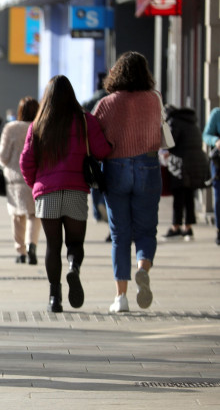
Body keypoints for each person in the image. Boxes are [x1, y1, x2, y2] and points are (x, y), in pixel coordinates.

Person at [20, 76, 112, 312]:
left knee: (52, 245)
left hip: (47, 193)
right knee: (75, 242)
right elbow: (102, 151)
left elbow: (26, 162)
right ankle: (74, 267)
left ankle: (54, 297)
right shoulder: (84, 120)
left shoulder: (38, 124)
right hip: (75, 190)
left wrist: (36, 186)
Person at [93, 51, 163, 313]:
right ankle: (142, 267)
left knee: (120, 235)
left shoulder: (107, 103)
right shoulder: (154, 100)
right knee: (146, 230)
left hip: (116, 167)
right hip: (148, 165)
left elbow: (94, 136)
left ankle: (120, 298)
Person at [0, 96, 41, 264]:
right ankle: (32, 246)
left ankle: (20, 251)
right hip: (36, 178)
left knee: (16, 216)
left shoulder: (11, 128)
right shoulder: (40, 127)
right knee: (34, 215)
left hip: (14, 179)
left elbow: (2, 155)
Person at [162, 105, 210, 241]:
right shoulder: (192, 121)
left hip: (181, 164)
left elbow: (170, 142)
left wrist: (166, 150)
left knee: (178, 196)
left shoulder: (174, 122)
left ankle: (175, 227)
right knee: (189, 196)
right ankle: (188, 228)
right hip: (197, 162)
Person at [82, 72, 109, 223]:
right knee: (107, 178)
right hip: (107, 144)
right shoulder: (111, 98)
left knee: (94, 178)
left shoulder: (95, 99)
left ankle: (97, 213)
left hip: (93, 143)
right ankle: (104, 204)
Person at [201, 107, 220, 246]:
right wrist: (216, 141)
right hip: (219, 164)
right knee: (219, 198)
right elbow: (206, 135)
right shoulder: (217, 113)